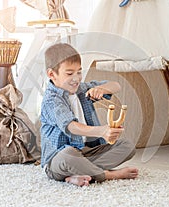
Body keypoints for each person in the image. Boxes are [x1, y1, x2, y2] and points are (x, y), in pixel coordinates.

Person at [40, 42, 138, 187]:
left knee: (127, 146)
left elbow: (116, 86)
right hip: (59, 157)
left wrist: (101, 89)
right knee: (69, 156)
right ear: (51, 74)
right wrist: (102, 131)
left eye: (79, 72)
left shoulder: (82, 89)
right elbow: (71, 126)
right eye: (69, 73)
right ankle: (108, 175)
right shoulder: (51, 100)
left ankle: (77, 173)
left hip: (86, 152)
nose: (76, 78)